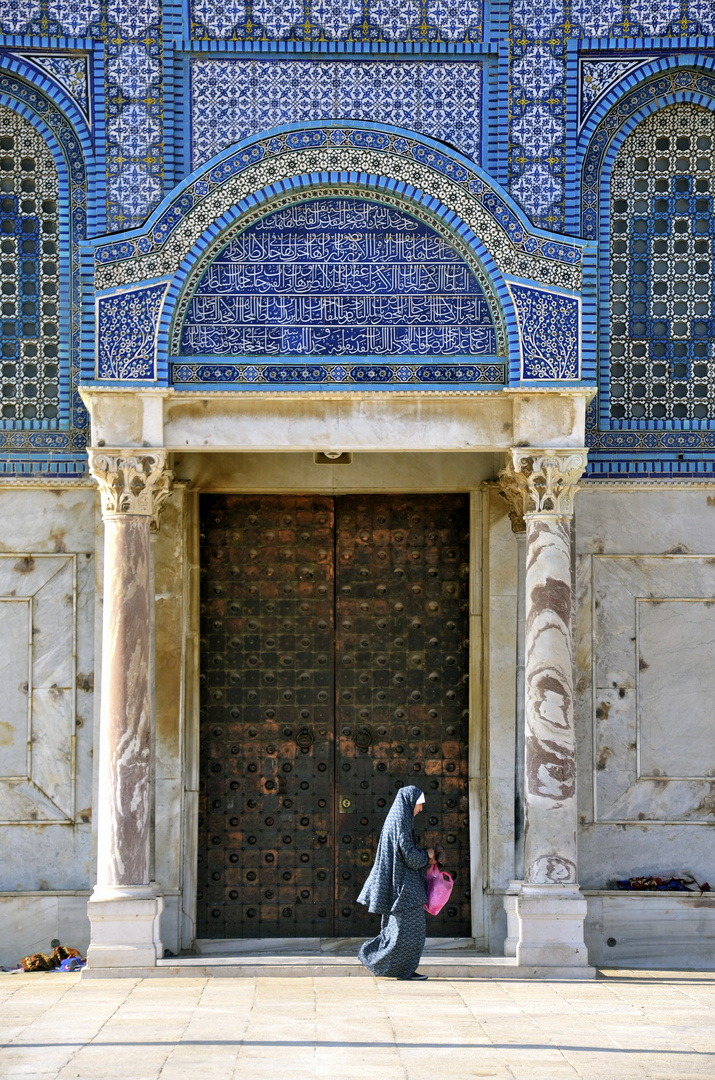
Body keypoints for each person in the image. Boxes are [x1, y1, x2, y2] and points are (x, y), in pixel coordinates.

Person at [356, 785, 436, 981]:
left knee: (401, 932)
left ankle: (403, 969)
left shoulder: (399, 819)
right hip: (404, 889)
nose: (421, 809)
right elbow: (409, 856)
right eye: (420, 804)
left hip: (401, 887)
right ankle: (373, 957)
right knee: (407, 933)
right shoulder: (401, 821)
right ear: (411, 801)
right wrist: (428, 855)